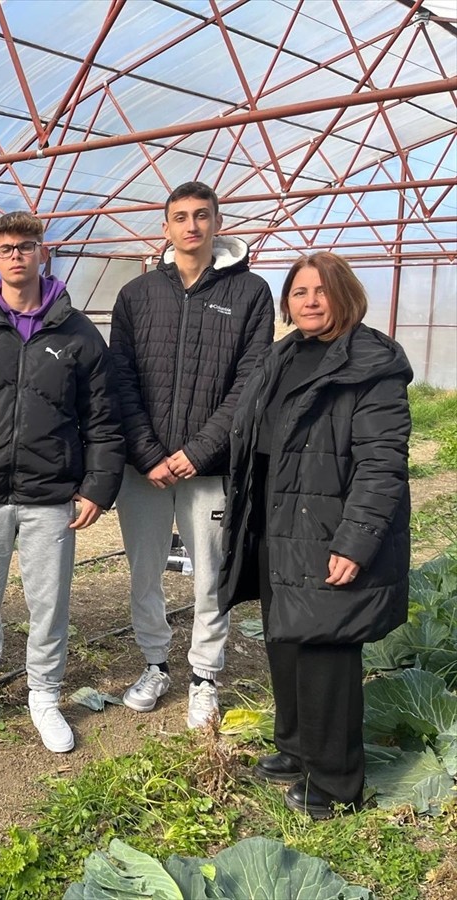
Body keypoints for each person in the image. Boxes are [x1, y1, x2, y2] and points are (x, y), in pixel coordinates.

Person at [219, 252, 411, 819]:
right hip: (277, 521)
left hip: (328, 527)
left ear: (345, 295)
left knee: (327, 648)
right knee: (284, 637)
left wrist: (356, 541)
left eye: (321, 291)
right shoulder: (282, 355)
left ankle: (336, 781)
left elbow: (382, 464)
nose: (309, 301)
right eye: (299, 292)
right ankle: (296, 748)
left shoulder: (371, 362)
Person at [0, 212, 125, 753]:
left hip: (51, 493)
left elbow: (103, 418)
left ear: (43, 253)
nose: (16, 255)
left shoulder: (78, 332)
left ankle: (44, 694)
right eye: (6, 249)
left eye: (26, 246)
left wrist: (97, 487)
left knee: (48, 601)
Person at [109, 181, 273, 729]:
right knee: (144, 570)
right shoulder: (137, 295)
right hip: (145, 468)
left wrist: (200, 451)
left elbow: (250, 382)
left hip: (209, 468)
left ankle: (204, 675)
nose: (192, 226)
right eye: (180, 217)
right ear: (166, 227)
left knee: (210, 573)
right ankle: (154, 664)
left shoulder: (251, 292)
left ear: (217, 223)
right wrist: (148, 452)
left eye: (202, 215)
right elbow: (121, 378)